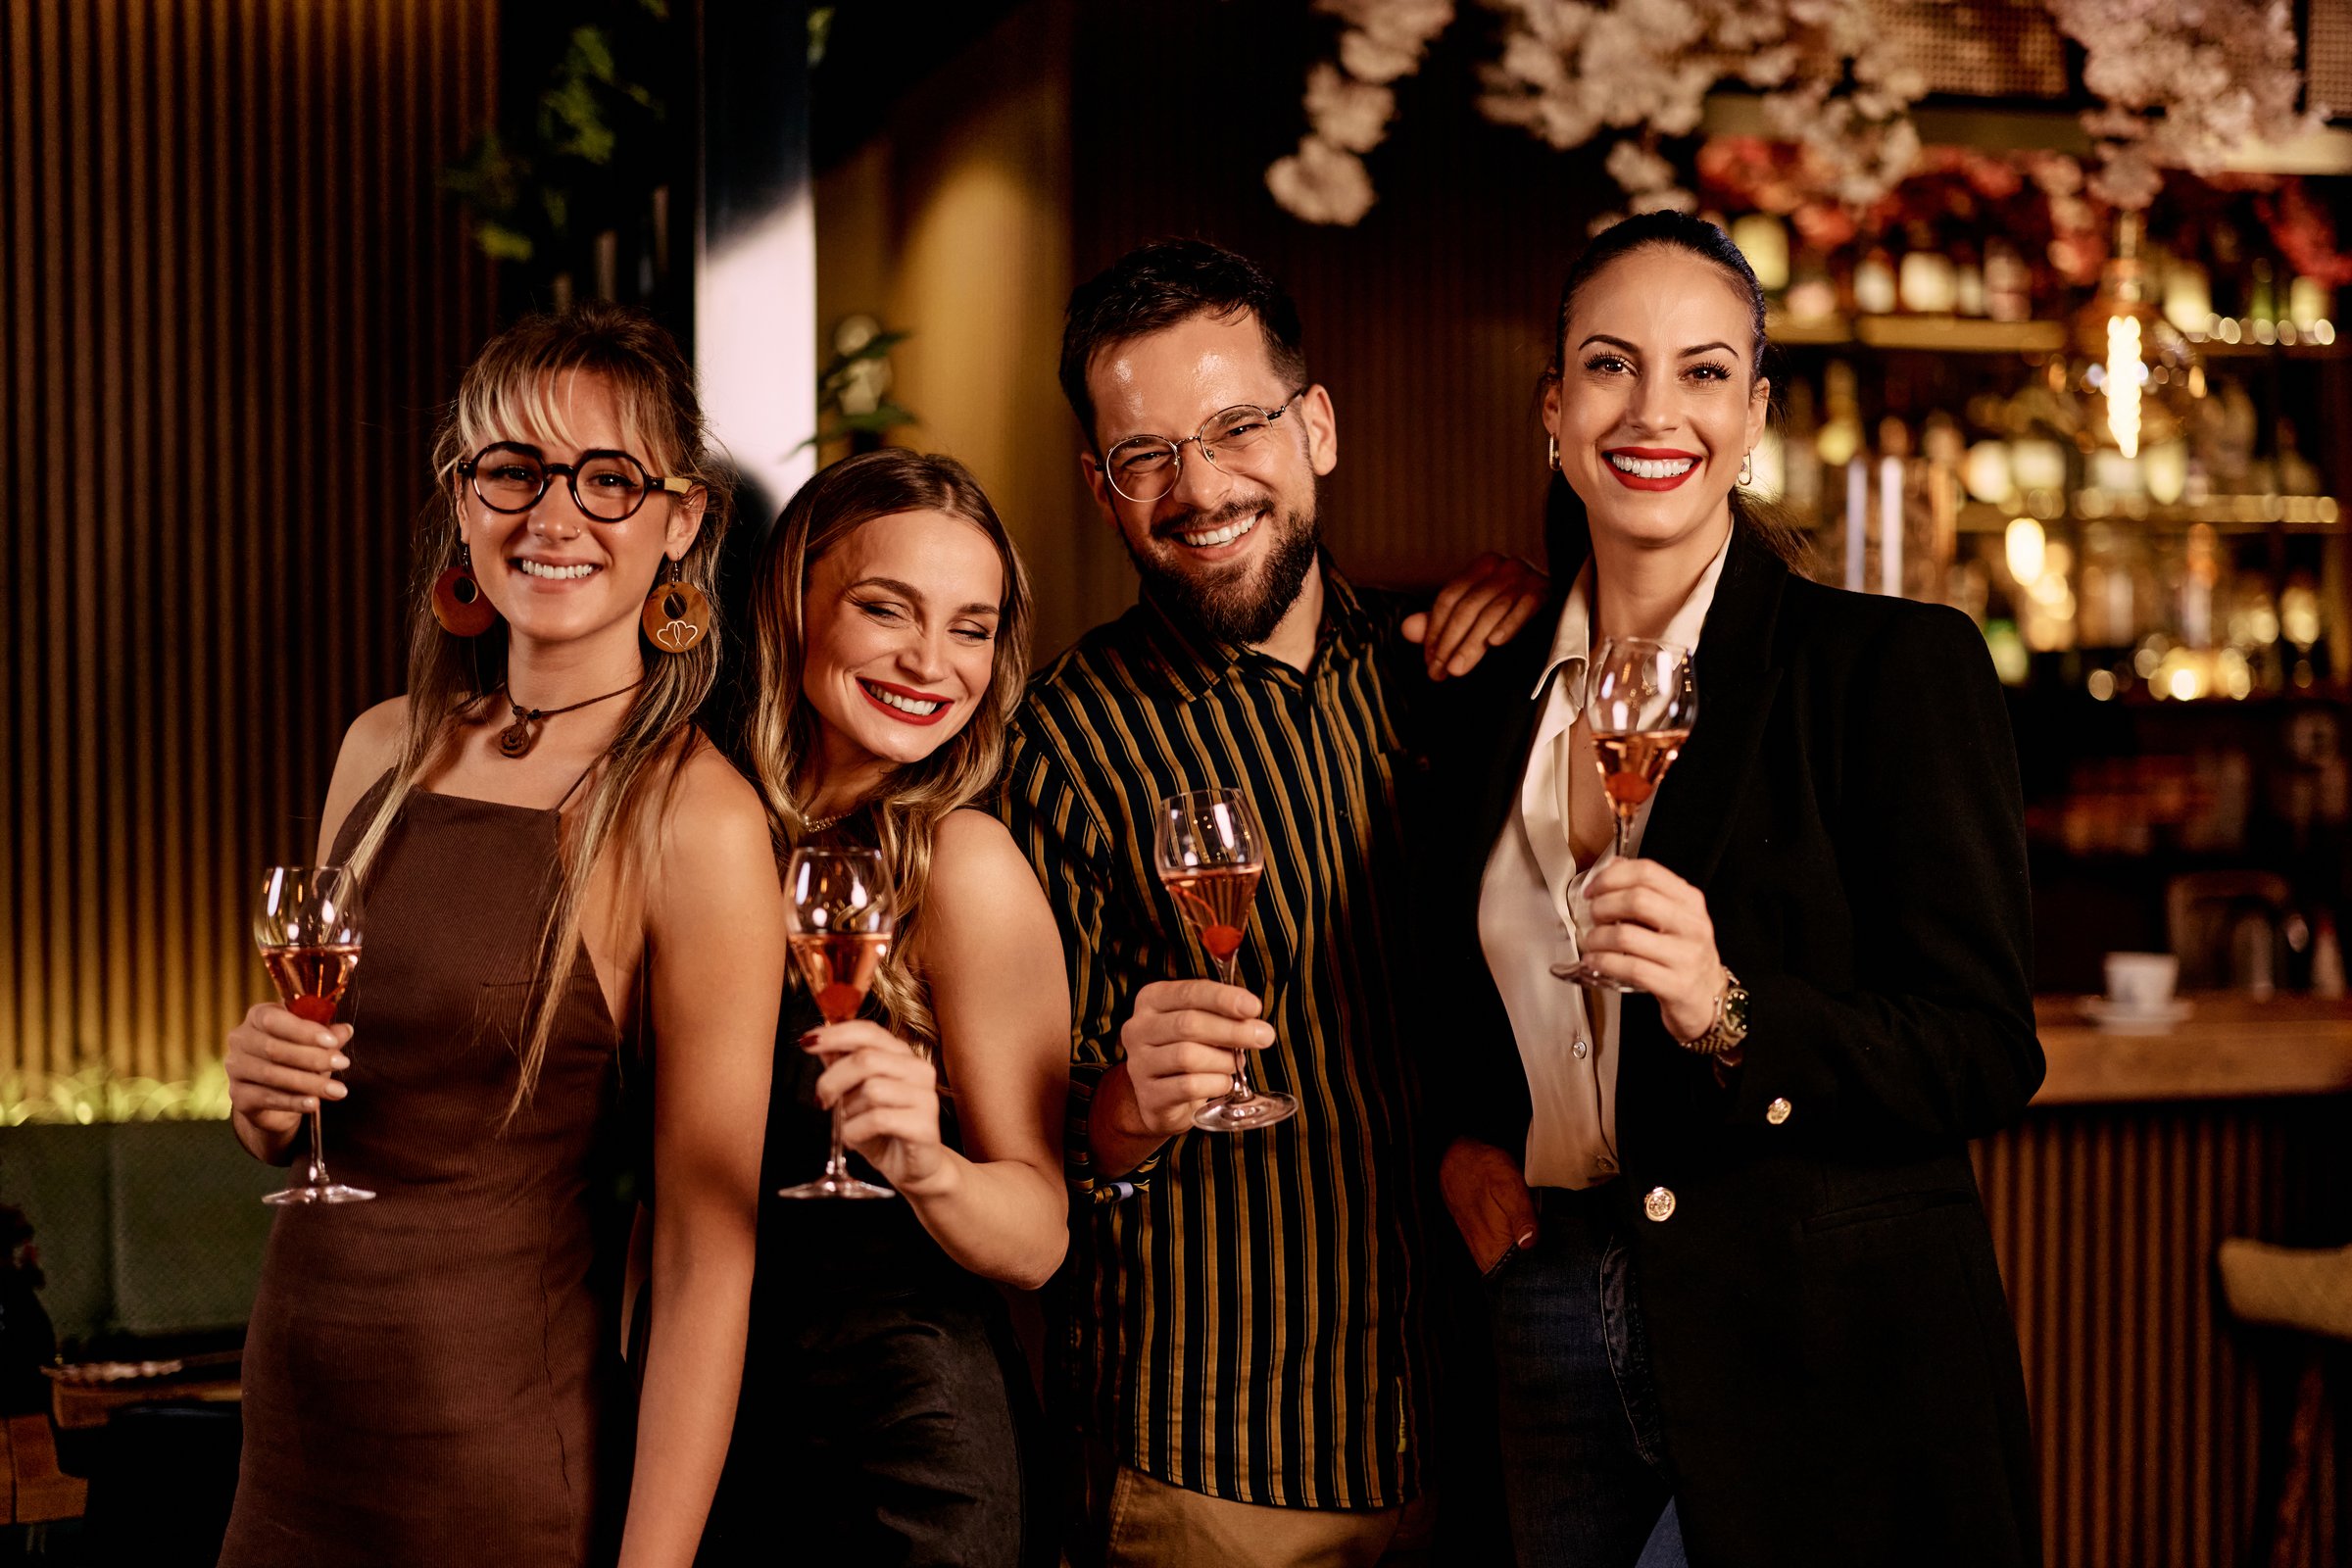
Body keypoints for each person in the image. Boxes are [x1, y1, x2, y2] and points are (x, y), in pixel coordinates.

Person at [1432, 210, 2044, 1568]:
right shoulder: (1482, 691)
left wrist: (1727, 1009)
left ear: (1757, 413)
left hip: (1816, 1339)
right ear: (1553, 403)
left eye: (1704, 371)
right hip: (1545, 1314)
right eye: (1609, 364)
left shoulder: (1892, 670)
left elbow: (1989, 1053)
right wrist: (1464, 1137)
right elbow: (1448, 983)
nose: (1657, 409)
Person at [994, 238, 1544, 1568]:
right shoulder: (1065, 743)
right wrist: (1119, 1107)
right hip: (1209, 1473)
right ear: (1102, 489)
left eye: (1237, 426)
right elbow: (1025, 1142)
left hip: (1475, 1441)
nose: (1198, 487)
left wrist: (1550, 604)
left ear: (1319, 427)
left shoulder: (1447, 675)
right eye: (1146, 456)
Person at [219, 304, 784, 1567]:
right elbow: (314, 1122)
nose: (553, 515)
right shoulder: (382, 743)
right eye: (512, 470)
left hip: (494, 1466)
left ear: (680, 521)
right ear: (463, 500)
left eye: (608, 479)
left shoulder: (694, 820)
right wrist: (258, 1094)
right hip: (292, 1447)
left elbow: (705, 1259)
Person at [699, 449, 1070, 1567]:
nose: (930, 661)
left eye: (971, 626)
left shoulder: (965, 864)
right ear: (792, 600)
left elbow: (1042, 1233)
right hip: (710, 1412)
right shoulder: (707, 827)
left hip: (908, 1444)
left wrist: (927, 1164)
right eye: (884, 607)